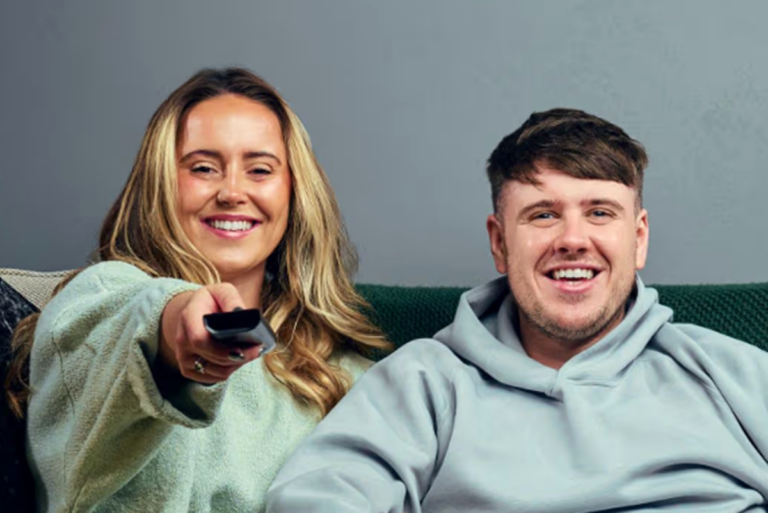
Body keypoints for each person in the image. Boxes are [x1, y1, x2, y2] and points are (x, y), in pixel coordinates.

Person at [266, 108, 768, 512]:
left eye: (599, 213)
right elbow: (316, 498)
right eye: (543, 215)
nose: (573, 240)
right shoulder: (423, 384)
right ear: (500, 242)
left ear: (638, 239)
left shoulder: (733, 375)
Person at [5, 67, 388, 512]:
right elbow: (130, 320)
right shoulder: (97, 298)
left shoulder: (346, 379)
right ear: (161, 184)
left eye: (259, 169)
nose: (231, 192)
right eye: (203, 168)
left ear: (293, 191)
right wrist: (176, 325)